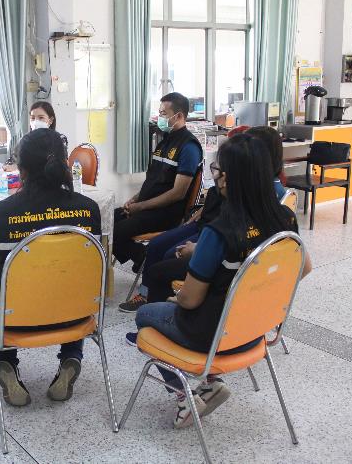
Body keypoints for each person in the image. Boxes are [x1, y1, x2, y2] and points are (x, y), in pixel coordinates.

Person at [125, 134, 312, 429]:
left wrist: (177, 299)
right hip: (255, 330)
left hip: (213, 335)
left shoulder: (219, 232)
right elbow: (304, 268)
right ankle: (209, 384)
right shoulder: (285, 218)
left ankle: (186, 397)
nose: (216, 177)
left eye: (217, 170)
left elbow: (190, 300)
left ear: (227, 179)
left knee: (146, 314)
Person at [0, 128, 102, 407]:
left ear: (22, 170)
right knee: (71, 282)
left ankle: (6, 360)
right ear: (64, 164)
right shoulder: (89, 209)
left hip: (11, 319)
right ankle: (71, 357)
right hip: (75, 315)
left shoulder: (4, 212)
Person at [119, 125, 286, 313]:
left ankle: (157, 306)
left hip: (208, 309)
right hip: (207, 227)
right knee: (157, 245)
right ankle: (148, 295)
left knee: (165, 264)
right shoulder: (282, 212)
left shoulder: (253, 199)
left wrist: (198, 250)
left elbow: (189, 300)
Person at [112, 92, 203, 271]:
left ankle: (145, 258)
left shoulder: (189, 147)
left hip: (165, 213)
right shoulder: (164, 142)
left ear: (179, 116)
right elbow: (153, 180)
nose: (159, 118)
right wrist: (135, 199)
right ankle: (141, 256)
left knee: (116, 231)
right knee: (105, 220)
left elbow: (178, 193)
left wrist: (141, 206)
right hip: (147, 207)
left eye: (163, 114)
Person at [3, 101, 68, 171]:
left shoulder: (60, 139)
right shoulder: (25, 140)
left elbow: (61, 165)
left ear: (50, 120)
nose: (36, 122)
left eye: (41, 118)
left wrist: (21, 166)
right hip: (27, 177)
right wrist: (11, 166)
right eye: (33, 118)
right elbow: (10, 161)